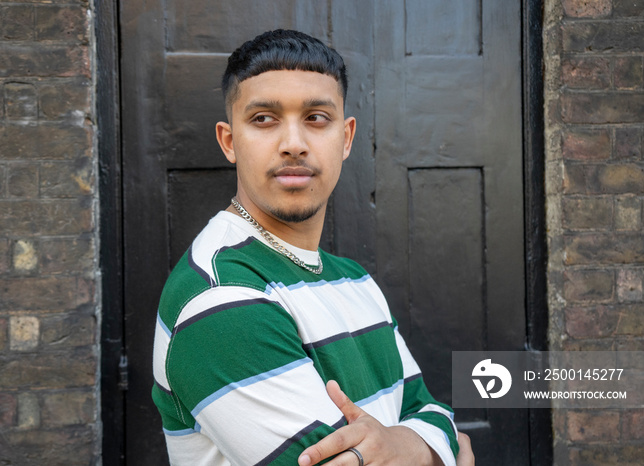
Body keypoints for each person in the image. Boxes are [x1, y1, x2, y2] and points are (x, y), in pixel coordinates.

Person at [152, 29, 472, 466]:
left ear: (346, 137)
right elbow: (449, 444)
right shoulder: (219, 297)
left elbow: (432, 413)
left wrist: (412, 445)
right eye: (263, 118)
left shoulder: (353, 279)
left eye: (317, 118)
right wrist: (433, 450)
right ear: (229, 141)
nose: (294, 144)